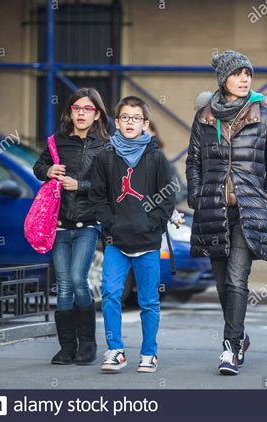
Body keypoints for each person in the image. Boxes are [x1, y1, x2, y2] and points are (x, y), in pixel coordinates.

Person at [186, 50, 267, 375]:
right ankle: (240, 336)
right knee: (221, 284)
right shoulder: (204, 117)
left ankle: (230, 349)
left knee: (236, 278)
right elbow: (194, 161)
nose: (245, 79)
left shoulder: (264, 117)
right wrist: (196, 194)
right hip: (213, 209)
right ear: (223, 79)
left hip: (249, 210)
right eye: (238, 73)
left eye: (248, 73)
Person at [89, 96, 175, 373]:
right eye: (125, 117)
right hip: (116, 241)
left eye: (136, 118)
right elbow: (97, 195)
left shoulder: (156, 157)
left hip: (148, 242)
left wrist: (153, 223)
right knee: (111, 295)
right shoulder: (105, 156)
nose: (130, 122)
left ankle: (149, 353)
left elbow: (168, 197)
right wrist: (110, 223)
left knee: (148, 301)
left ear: (145, 124)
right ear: (117, 122)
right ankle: (115, 351)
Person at [33, 87, 109, 365]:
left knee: (78, 279)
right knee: (63, 285)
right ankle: (67, 347)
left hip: (88, 224)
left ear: (97, 114)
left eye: (87, 109)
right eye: (76, 108)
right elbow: (39, 167)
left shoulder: (106, 146)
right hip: (60, 224)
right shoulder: (57, 142)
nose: (81, 113)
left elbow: (108, 186)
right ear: (70, 112)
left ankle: (88, 344)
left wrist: (81, 185)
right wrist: (48, 171)